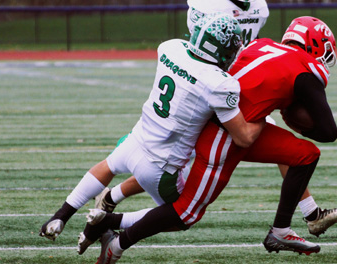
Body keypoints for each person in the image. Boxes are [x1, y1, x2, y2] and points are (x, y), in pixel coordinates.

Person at [86, 16, 337, 264]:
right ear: (317, 45)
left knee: (305, 155)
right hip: (224, 134)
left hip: (237, 125)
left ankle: (280, 231)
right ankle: (115, 239)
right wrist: (294, 120)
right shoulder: (305, 72)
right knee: (186, 213)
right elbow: (329, 132)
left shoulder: (262, 44)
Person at [39, 13, 265, 244]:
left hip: (134, 141)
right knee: (180, 217)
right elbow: (244, 138)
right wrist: (265, 112)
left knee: (107, 166)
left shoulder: (170, 48)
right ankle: (108, 222)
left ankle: (60, 217)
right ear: (219, 51)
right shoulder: (220, 83)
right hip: (161, 168)